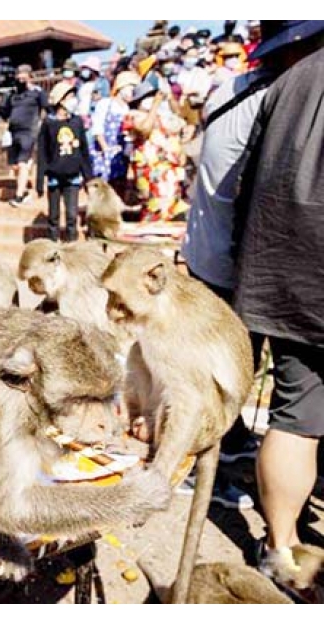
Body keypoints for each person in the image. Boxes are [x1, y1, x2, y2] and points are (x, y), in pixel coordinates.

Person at [231, 22, 324, 584]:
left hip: (283, 274)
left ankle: (281, 547)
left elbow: (247, 186)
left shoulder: (284, 85)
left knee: (295, 417)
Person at [124, 82, 189, 222]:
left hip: (167, 171)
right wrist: (155, 105)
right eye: (147, 97)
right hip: (149, 171)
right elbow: (144, 129)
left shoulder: (160, 117)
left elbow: (178, 128)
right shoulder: (133, 116)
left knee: (171, 204)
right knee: (153, 205)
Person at [36, 83, 92, 242]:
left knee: (71, 215)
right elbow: (42, 152)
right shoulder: (49, 123)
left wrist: (88, 176)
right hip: (54, 176)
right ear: (61, 100)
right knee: (53, 216)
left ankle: (71, 245)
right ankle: (53, 245)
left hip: (73, 177)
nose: (73, 100)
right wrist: (40, 180)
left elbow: (84, 150)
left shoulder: (77, 122)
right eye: (70, 97)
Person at [0, 64, 47, 207]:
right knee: (14, 166)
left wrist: (41, 127)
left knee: (22, 163)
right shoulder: (13, 94)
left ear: (30, 76)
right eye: (18, 74)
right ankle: (24, 191)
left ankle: (19, 196)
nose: (20, 77)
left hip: (29, 131)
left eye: (23, 75)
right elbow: (4, 113)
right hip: (13, 132)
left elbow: (46, 108)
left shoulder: (37, 93)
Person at [90, 71, 139, 202]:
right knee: (103, 185)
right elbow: (98, 128)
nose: (132, 93)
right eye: (130, 88)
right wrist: (105, 148)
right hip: (104, 151)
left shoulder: (128, 109)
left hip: (122, 151)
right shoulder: (105, 104)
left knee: (119, 183)